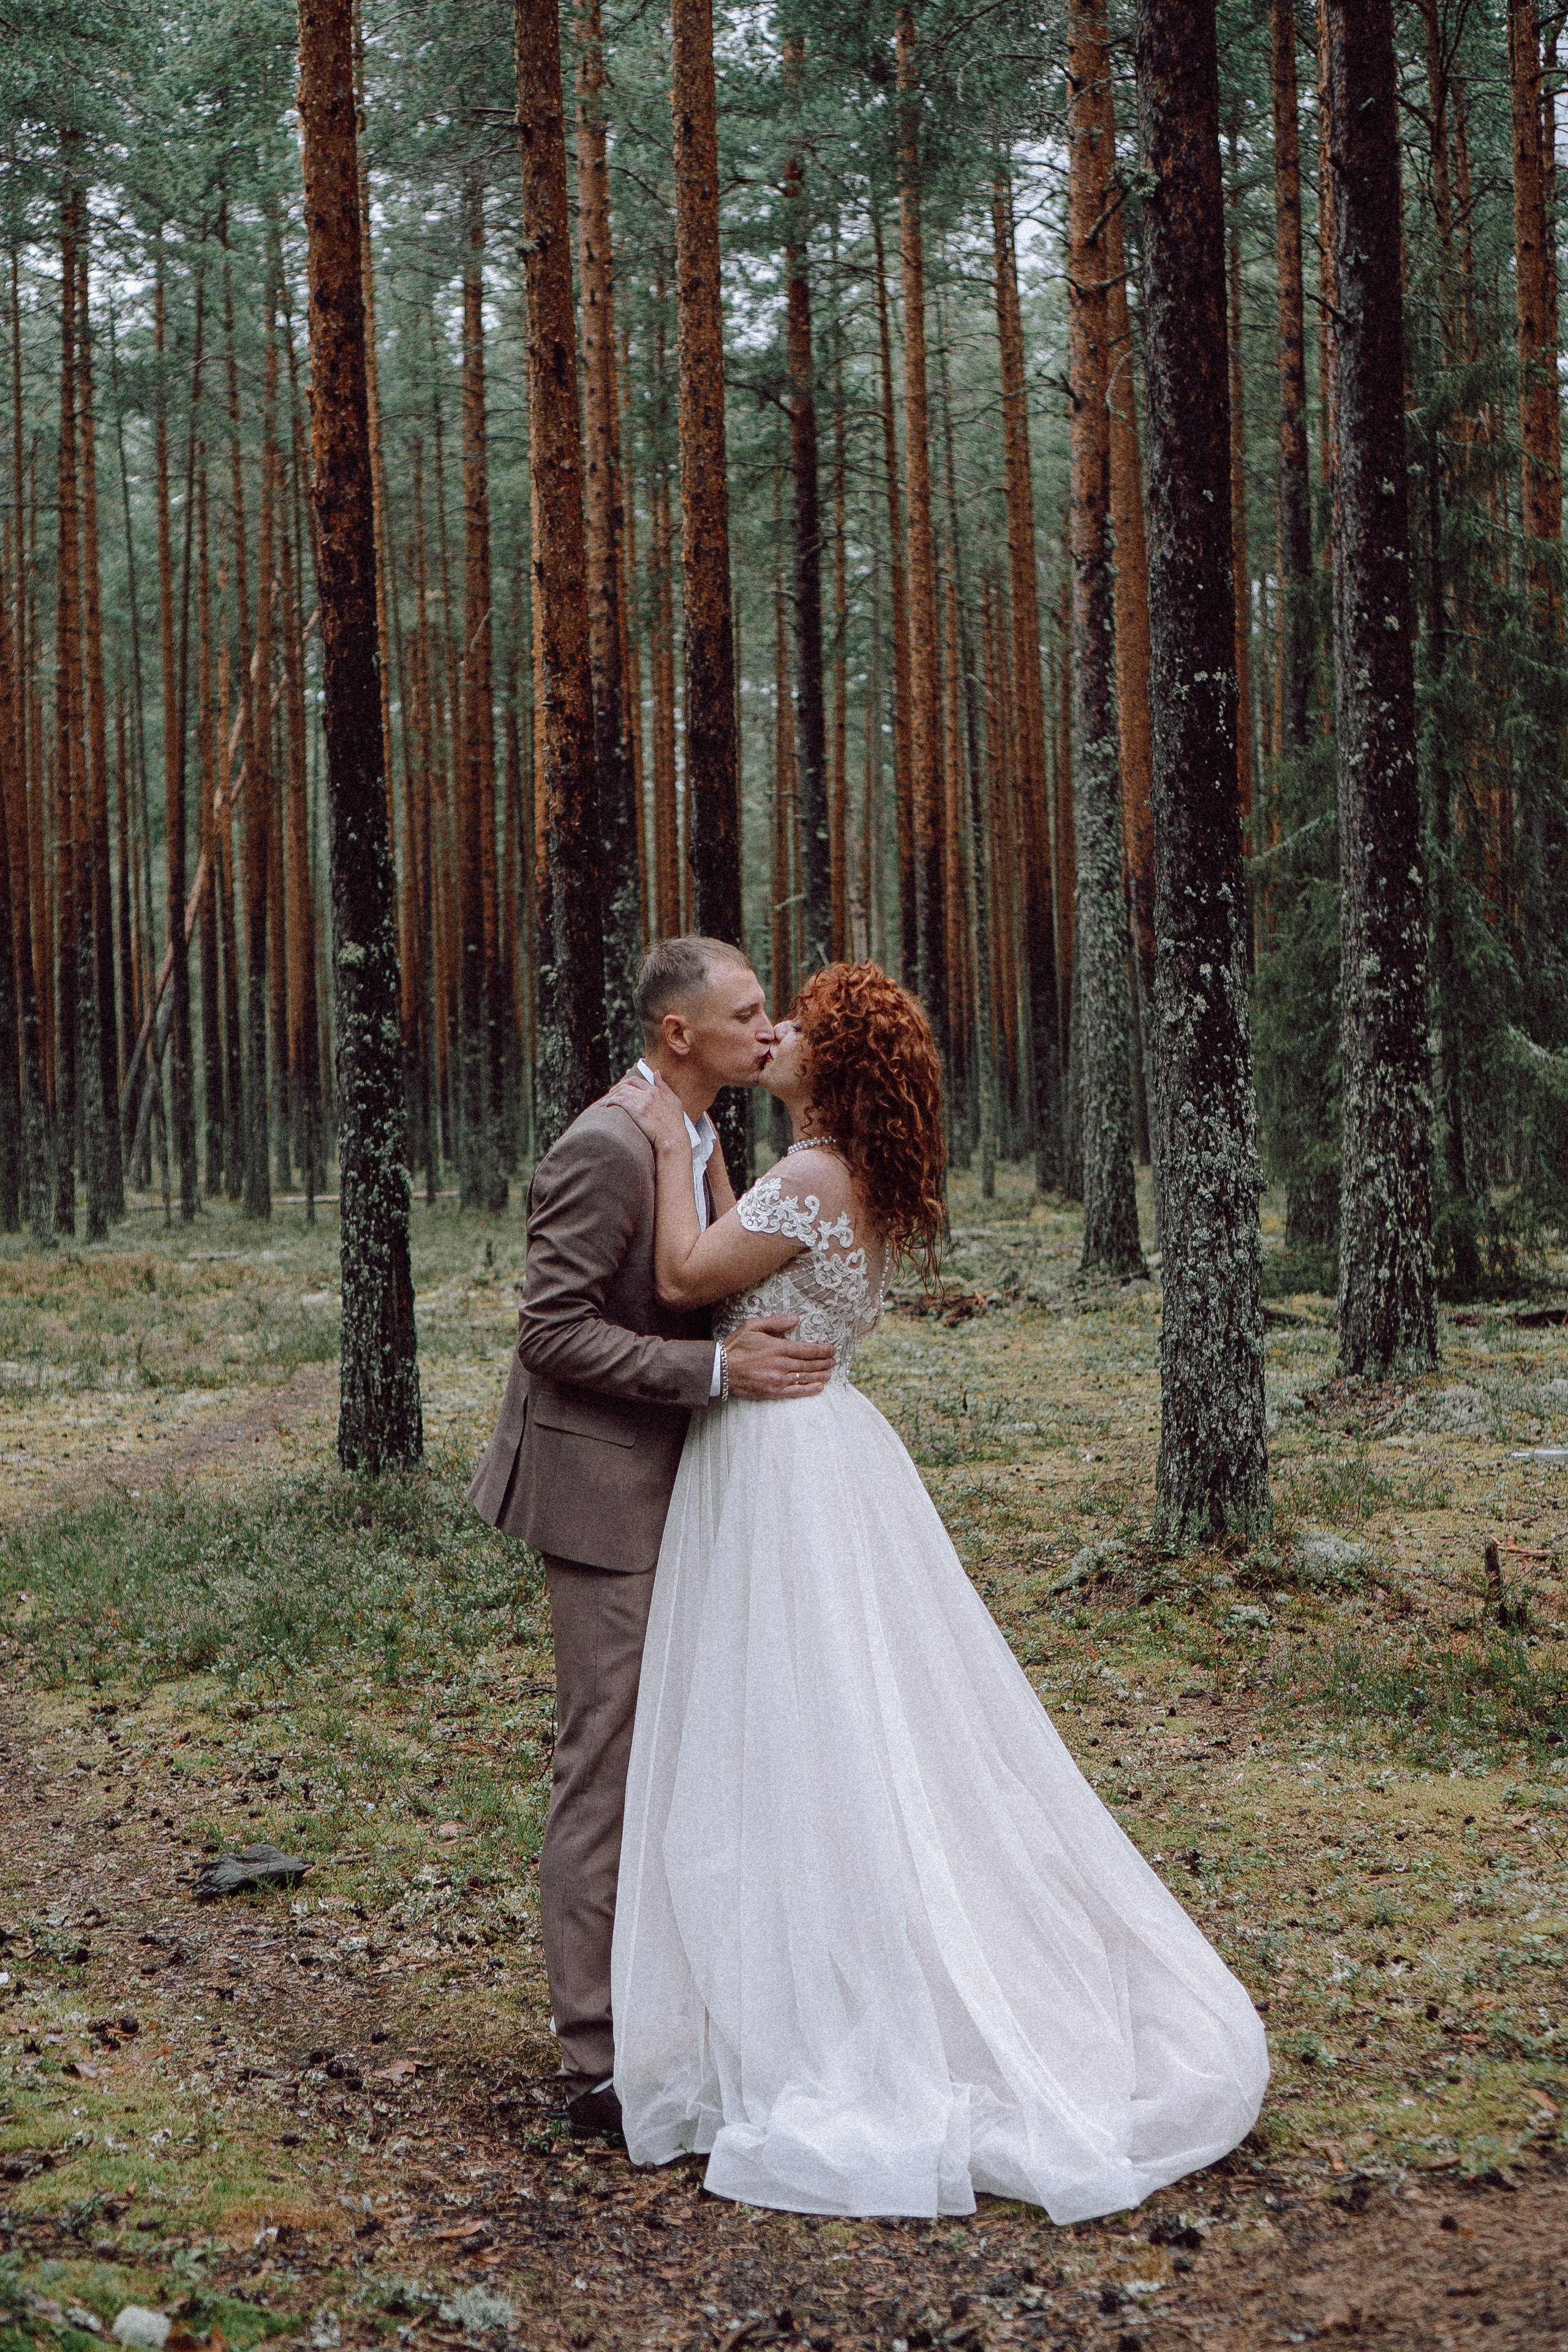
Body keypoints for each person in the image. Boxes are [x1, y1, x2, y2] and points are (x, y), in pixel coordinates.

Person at [603, 960, 1269, 2222]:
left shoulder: (807, 1178)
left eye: (800, 1026)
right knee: (843, 1724)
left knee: (795, 1727)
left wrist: (663, 1133)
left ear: (837, 1064)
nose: (776, 1033)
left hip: (779, 1461)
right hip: (826, 1444)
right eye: (768, 1016)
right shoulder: (849, 1174)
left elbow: (687, 1279)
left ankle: (824, 2003)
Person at [467, 938, 836, 2141]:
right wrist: (719, 1369)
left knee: (687, 1751)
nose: (765, 1028)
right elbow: (551, 1333)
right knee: (608, 1761)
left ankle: (675, 2007)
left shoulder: (701, 1136)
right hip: (598, 1494)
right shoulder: (607, 1142)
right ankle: (597, 2054)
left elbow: (701, 1277)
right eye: (743, 1014)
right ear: (678, 1033)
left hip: (692, 1484)